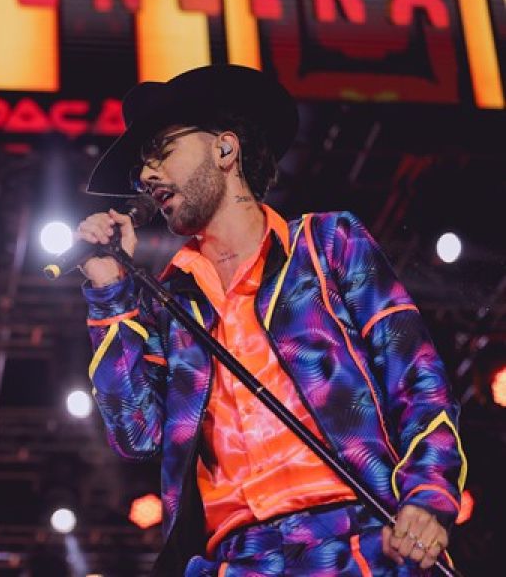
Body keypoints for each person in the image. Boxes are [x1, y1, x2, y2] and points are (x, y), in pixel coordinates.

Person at [76, 65, 466, 576]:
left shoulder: (326, 246)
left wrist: (427, 495)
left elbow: (417, 378)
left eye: (162, 151)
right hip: (237, 560)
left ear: (225, 149)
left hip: (360, 541)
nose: (147, 176)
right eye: (139, 172)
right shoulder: (169, 303)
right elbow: (137, 434)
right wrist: (109, 290)